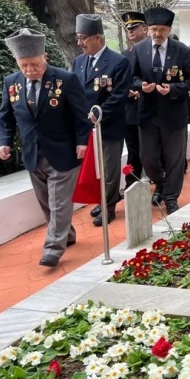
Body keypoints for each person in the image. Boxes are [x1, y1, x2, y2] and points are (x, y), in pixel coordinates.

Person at [0, 28, 91, 268]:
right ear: (17, 62)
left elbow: (81, 115)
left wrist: (82, 142)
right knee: (46, 202)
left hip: (63, 150)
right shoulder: (11, 83)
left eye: (35, 64)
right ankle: (66, 235)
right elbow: (5, 117)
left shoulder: (65, 80)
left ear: (44, 57)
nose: (30, 70)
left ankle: (52, 249)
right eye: (24, 65)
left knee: (59, 202)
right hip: (32, 153)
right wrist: (4, 142)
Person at [129, 7, 190, 214]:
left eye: (161, 30)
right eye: (153, 29)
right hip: (148, 113)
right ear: (148, 29)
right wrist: (141, 86)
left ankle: (171, 197)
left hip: (173, 113)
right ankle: (160, 183)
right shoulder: (139, 49)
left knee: (175, 159)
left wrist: (173, 89)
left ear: (169, 30)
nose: (157, 34)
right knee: (148, 158)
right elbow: (131, 77)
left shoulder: (181, 50)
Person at [72, 14, 132, 226]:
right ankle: (101, 199)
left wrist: (97, 114)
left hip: (108, 125)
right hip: (85, 127)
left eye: (83, 38)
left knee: (108, 168)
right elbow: (75, 92)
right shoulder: (79, 62)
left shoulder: (118, 62)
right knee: (93, 168)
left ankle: (109, 207)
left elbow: (119, 95)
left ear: (97, 37)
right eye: (78, 38)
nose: (80, 43)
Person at [120, 10, 147, 187]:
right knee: (133, 148)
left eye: (134, 27)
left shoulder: (153, 52)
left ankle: (159, 180)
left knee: (152, 148)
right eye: (128, 28)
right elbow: (119, 80)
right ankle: (132, 183)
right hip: (130, 109)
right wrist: (127, 91)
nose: (130, 31)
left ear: (145, 29)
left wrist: (142, 91)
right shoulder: (124, 55)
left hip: (149, 106)